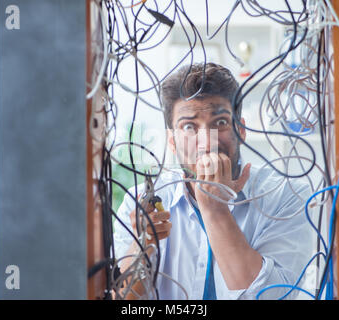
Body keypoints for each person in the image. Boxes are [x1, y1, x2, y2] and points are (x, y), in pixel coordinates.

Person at [113, 62, 312, 300]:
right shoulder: (141, 204)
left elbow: (276, 296)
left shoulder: (287, 197)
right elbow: (123, 300)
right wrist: (142, 245)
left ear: (241, 129)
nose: (207, 143)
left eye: (220, 123)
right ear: (172, 140)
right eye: (189, 127)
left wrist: (215, 210)